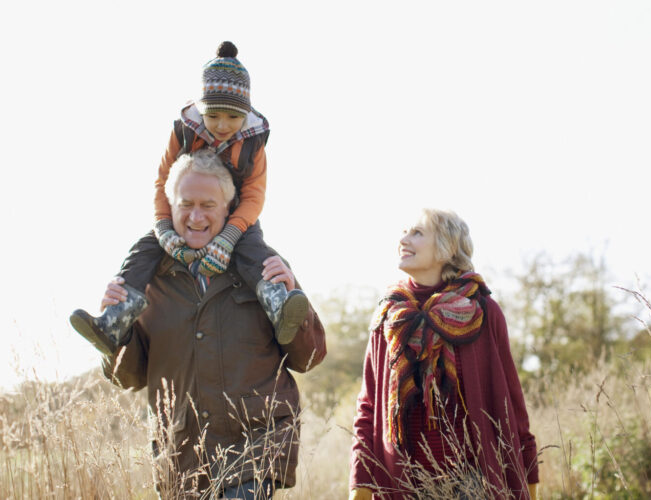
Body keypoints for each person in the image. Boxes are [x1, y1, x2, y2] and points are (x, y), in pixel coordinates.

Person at [100, 150, 326, 498]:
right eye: (186, 203)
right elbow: (127, 377)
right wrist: (116, 334)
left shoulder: (262, 268)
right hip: (181, 458)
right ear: (169, 206)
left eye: (208, 204)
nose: (195, 216)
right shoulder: (147, 282)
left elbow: (309, 358)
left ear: (229, 208)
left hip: (254, 450)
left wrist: (295, 295)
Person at [70, 40, 307, 356]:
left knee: (255, 253)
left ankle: (278, 305)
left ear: (246, 113)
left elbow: (254, 196)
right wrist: (164, 227)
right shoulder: (184, 131)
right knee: (142, 252)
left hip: (237, 218)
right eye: (214, 116)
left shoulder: (254, 143)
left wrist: (230, 235)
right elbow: (162, 183)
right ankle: (114, 320)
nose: (223, 126)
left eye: (232, 118)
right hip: (178, 218)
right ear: (202, 109)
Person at [349, 209, 539, 499]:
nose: (404, 239)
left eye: (417, 233)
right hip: (403, 484)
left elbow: (511, 403)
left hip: (473, 484)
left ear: (447, 248)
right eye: (403, 231)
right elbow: (368, 408)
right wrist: (359, 485)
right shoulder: (389, 317)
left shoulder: (484, 312)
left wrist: (528, 477)